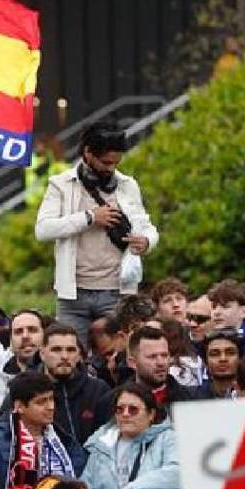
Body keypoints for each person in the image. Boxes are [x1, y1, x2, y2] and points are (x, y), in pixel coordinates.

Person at [34, 122, 158, 334]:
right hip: (73, 294)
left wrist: (146, 241)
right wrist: (90, 218)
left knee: (115, 358)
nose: (111, 168)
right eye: (105, 162)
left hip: (117, 292)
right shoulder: (60, 184)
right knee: (71, 357)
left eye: (116, 163)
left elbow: (147, 227)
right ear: (87, 153)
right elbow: (43, 230)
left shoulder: (128, 185)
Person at [39, 323, 112, 446]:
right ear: (42, 354)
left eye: (71, 350)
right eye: (56, 350)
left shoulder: (99, 390)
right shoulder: (26, 391)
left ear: (79, 354)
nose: (64, 356)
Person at [0, 309, 45, 415]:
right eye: (18, 332)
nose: (25, 336)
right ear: (10, 341)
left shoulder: (57, 375)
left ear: (45, 336)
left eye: (32, 330)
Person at [127, 326, 194, 419]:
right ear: (133, 363)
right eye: (152, 357)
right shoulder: (113, 403)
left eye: (164, 355)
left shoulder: (192, 400)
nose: (161, 363)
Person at [87, 316, 133, 387]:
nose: (109, 360)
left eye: (110, 353)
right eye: (103, 356)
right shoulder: (100, 368)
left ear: (121, 336)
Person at [196, 330, 242, 399]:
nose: (223, 359)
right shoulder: (192, 397)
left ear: (240, 358)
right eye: (215, 354)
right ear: (205, 362)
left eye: (230, 353)